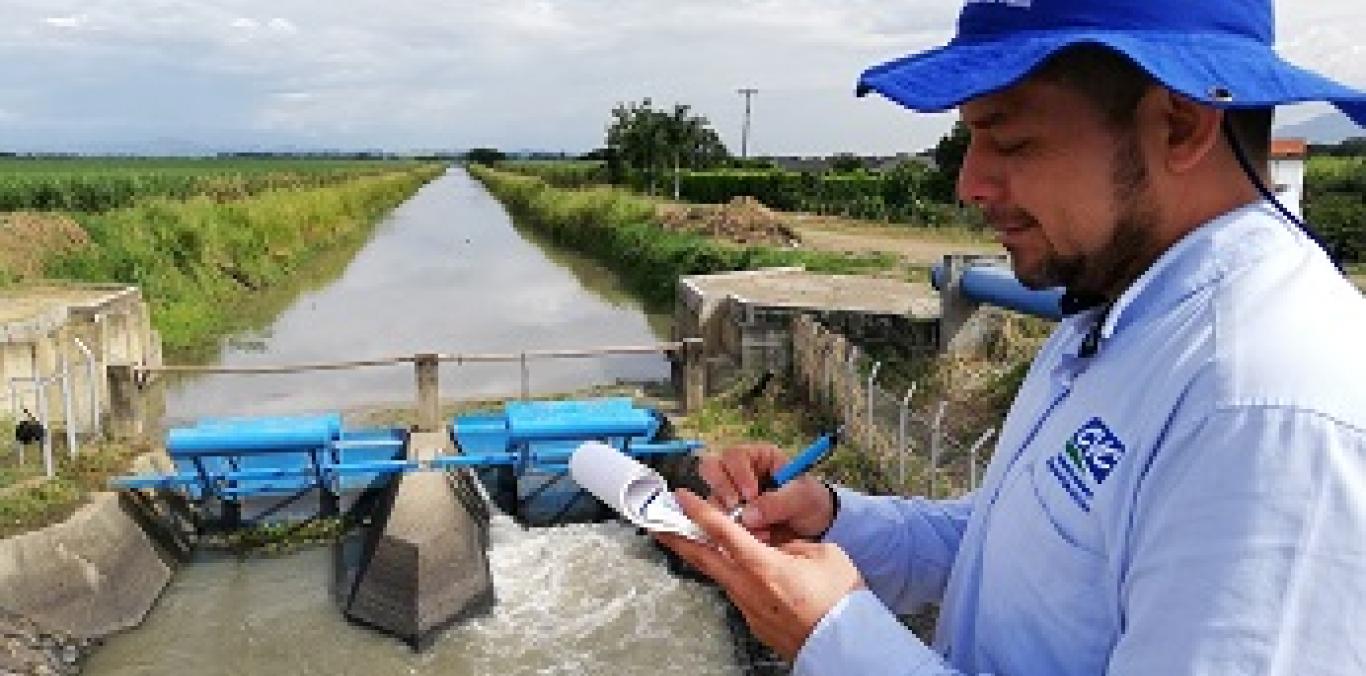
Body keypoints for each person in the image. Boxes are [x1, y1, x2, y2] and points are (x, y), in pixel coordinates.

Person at [656, 1, 1366, 674]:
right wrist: (833, 520)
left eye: (1012, 140)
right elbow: (1008, 550)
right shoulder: (1111, 311)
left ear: (1180, 125)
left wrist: (833, 639)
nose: (970, 182)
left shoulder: (1263, 408)